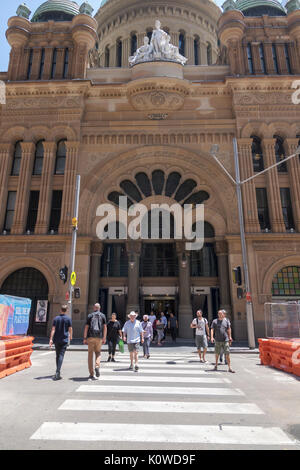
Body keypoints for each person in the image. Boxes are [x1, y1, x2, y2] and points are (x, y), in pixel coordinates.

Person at [83, 303, 107, 380]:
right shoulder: (103, 315)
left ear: (94, 308)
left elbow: (86, 327)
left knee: (90, 355)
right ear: (99, 308)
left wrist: (84, 338)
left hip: (90, 337)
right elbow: (105, 327)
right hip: (99, 337)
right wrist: (104, 338)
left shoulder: (90, 315)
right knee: (98, 352)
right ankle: (97, 366)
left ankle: (91, 373)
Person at [49, 305, 72, 381]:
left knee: (57, 355)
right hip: (64, 339)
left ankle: (57, 371)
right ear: (66, 310)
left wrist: (51, 339)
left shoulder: (56, 318)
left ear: (60, 310)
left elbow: (53, 329)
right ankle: (58, 371)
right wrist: (70, 337)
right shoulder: (68, 319)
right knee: (61, 355)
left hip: (56, 339)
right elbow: (70, 329)